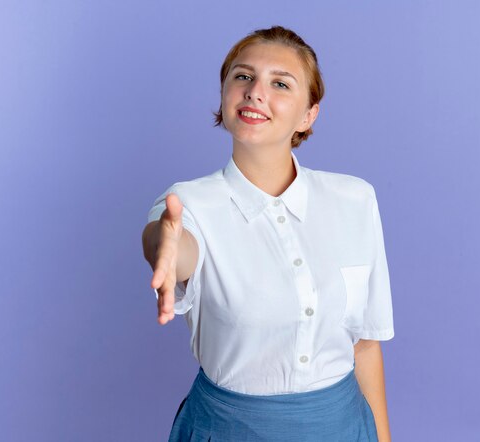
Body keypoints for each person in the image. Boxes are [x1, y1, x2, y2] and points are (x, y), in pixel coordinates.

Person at [141, 25, 395, 441]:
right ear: (224, 95)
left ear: (308, 114)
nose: (256, 91)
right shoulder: (187, 202)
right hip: (227, 430)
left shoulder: (355, 199)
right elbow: (171, 245)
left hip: (344, 427)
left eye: (280, 83)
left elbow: (365, 345)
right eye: (243, 76)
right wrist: (163, 246)